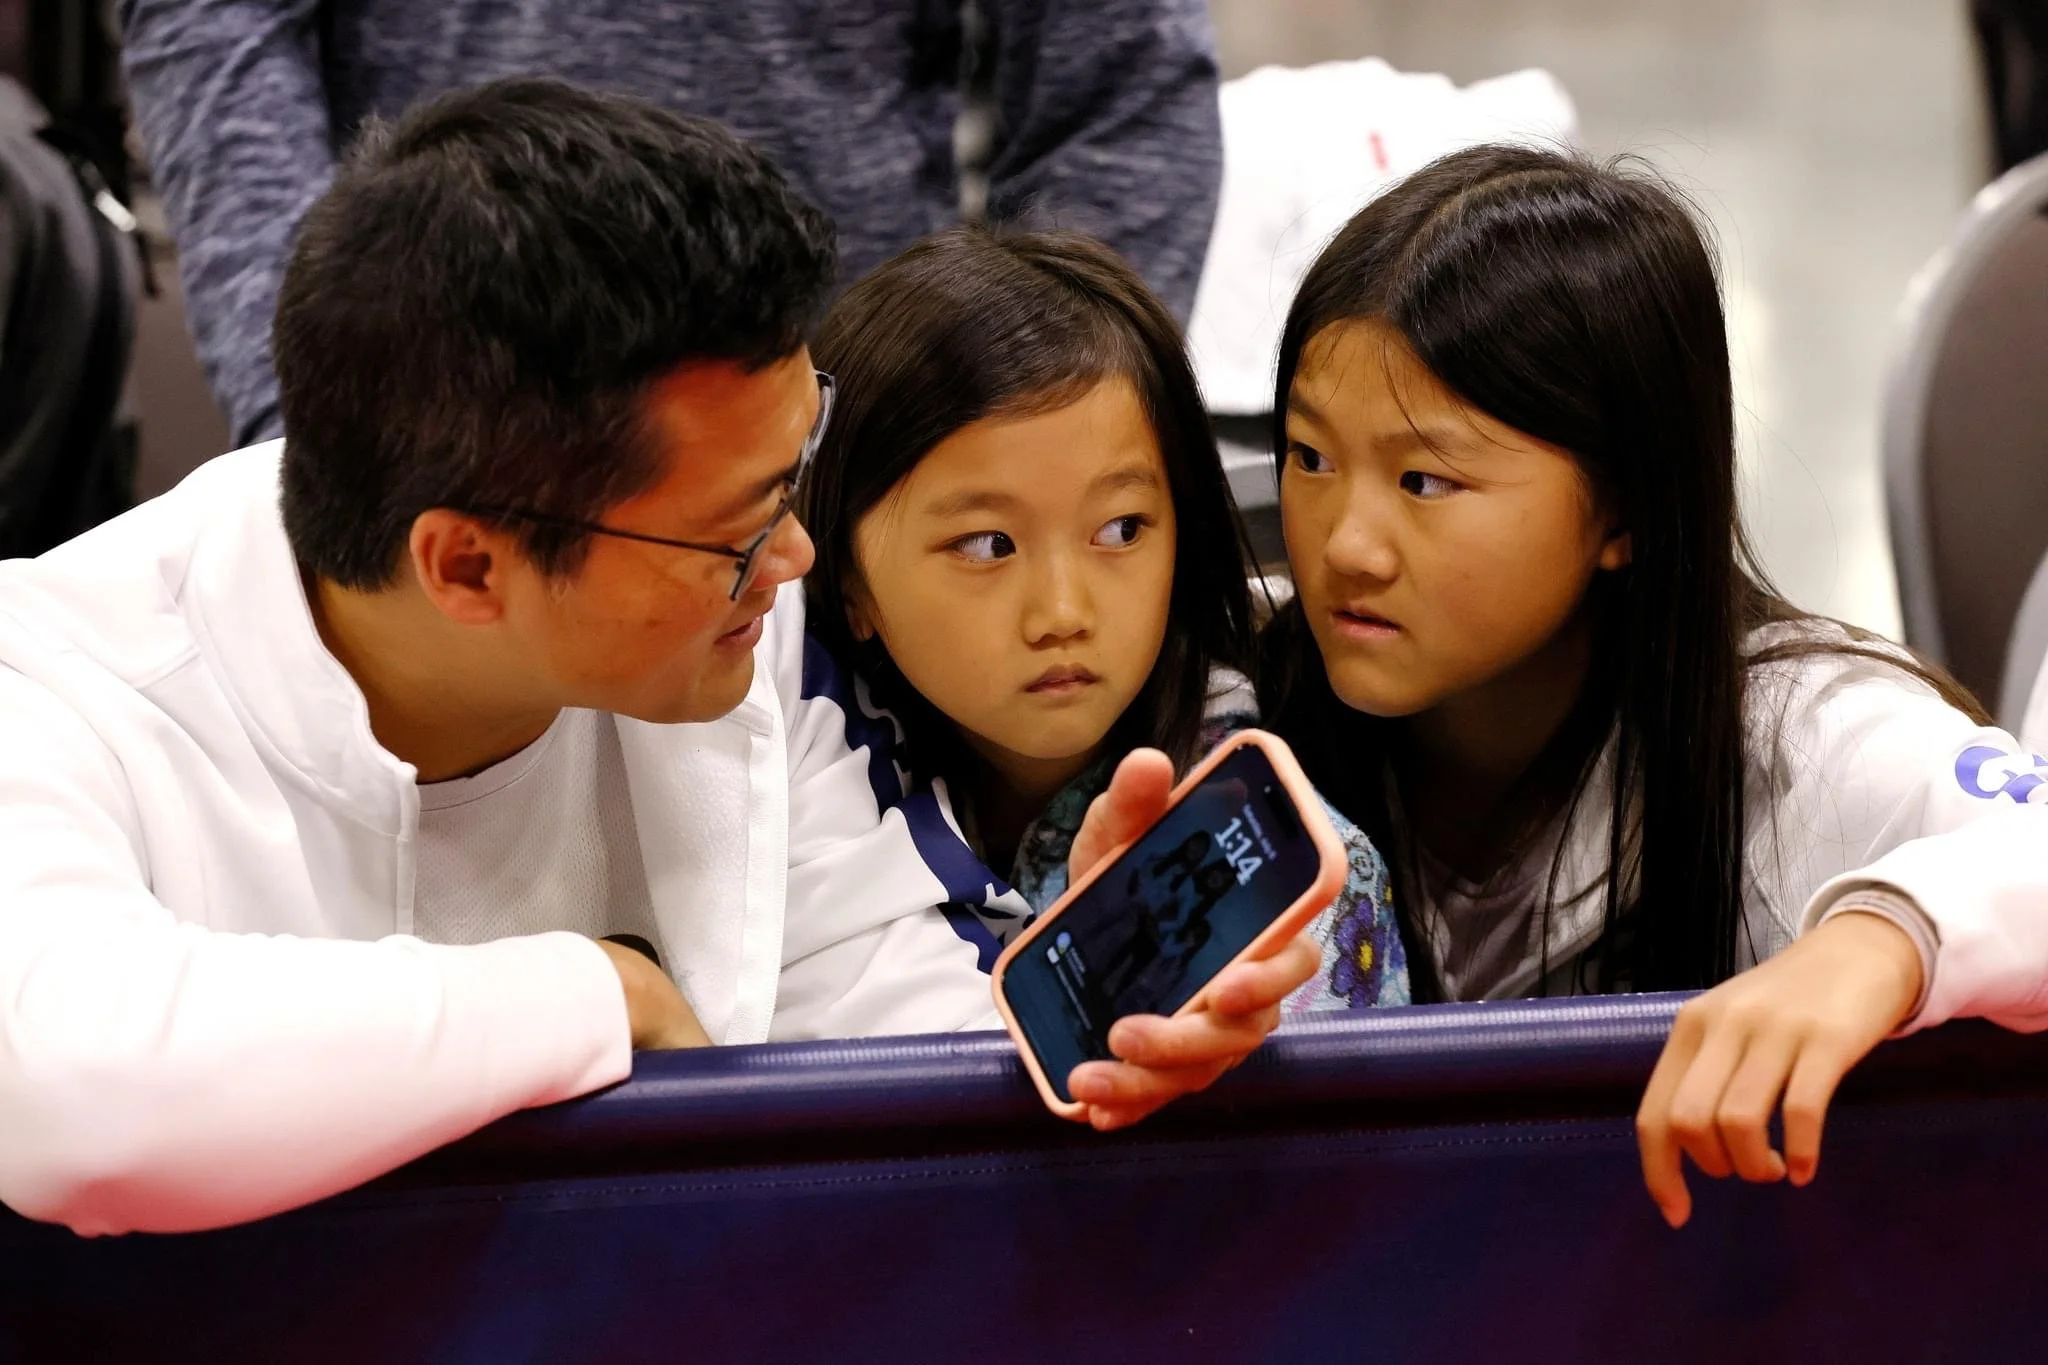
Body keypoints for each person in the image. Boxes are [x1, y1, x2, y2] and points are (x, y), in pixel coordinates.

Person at [0, 79, 1312, 1237]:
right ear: (467, 567)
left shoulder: (738, 655)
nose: (794, 557)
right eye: (735, 531)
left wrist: (1097, 1045)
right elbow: (76, 1095)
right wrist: (607, 991)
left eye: (794, 476)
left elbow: (879, 1023)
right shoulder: (57, 683)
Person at [1251, 144, 2048, 1225]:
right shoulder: (1234, 694)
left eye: (1423, 479)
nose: (1344, 544)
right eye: (1309, 457)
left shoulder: (1793, 739)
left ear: (1622, 509)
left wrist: (1884, 936)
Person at [118, 0, 1224, 451]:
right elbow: (215, 25)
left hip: (846, 447)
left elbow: (1120, 79)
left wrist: (1018, 438)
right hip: (430, 419)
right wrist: (317, 413)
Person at [798, 227, 1408, 1028]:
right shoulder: (791, 781)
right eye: (987, 545)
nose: (1063, 613)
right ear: (848, 581)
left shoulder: (1284, 878)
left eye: (1121, 530)